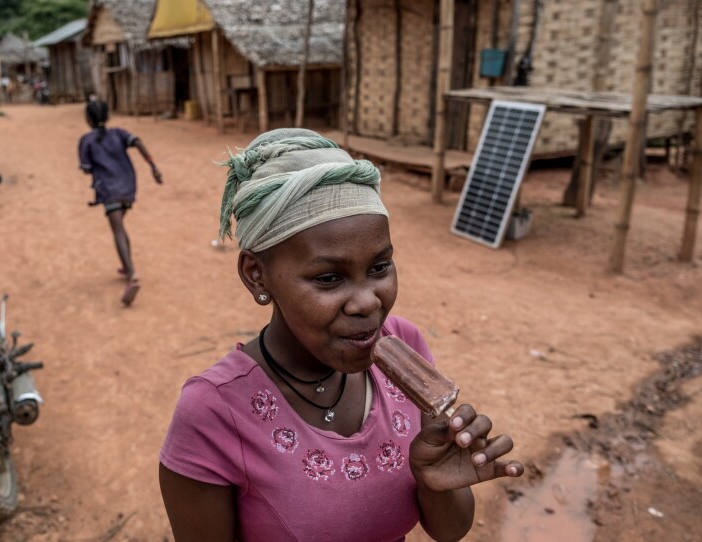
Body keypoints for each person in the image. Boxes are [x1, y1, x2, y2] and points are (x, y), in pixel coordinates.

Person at [158, 129, 523, 541]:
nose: (368, 302)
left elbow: (450, 530)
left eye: (380, 268)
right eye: (329, 278)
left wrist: (432, 481)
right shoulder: (212, 413)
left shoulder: (404, 342)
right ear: (256, 274)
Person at [79, 100, 163, 306]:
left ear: (88, 119)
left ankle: (132, 275)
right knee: (121, 228)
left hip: (109, 189)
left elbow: (86, 167)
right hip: (127, 185)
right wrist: (153, 166)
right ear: (107, 116)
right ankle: (127, 267)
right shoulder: (118, 133)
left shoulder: (87, 141)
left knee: (117, 230)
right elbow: (138, 142)